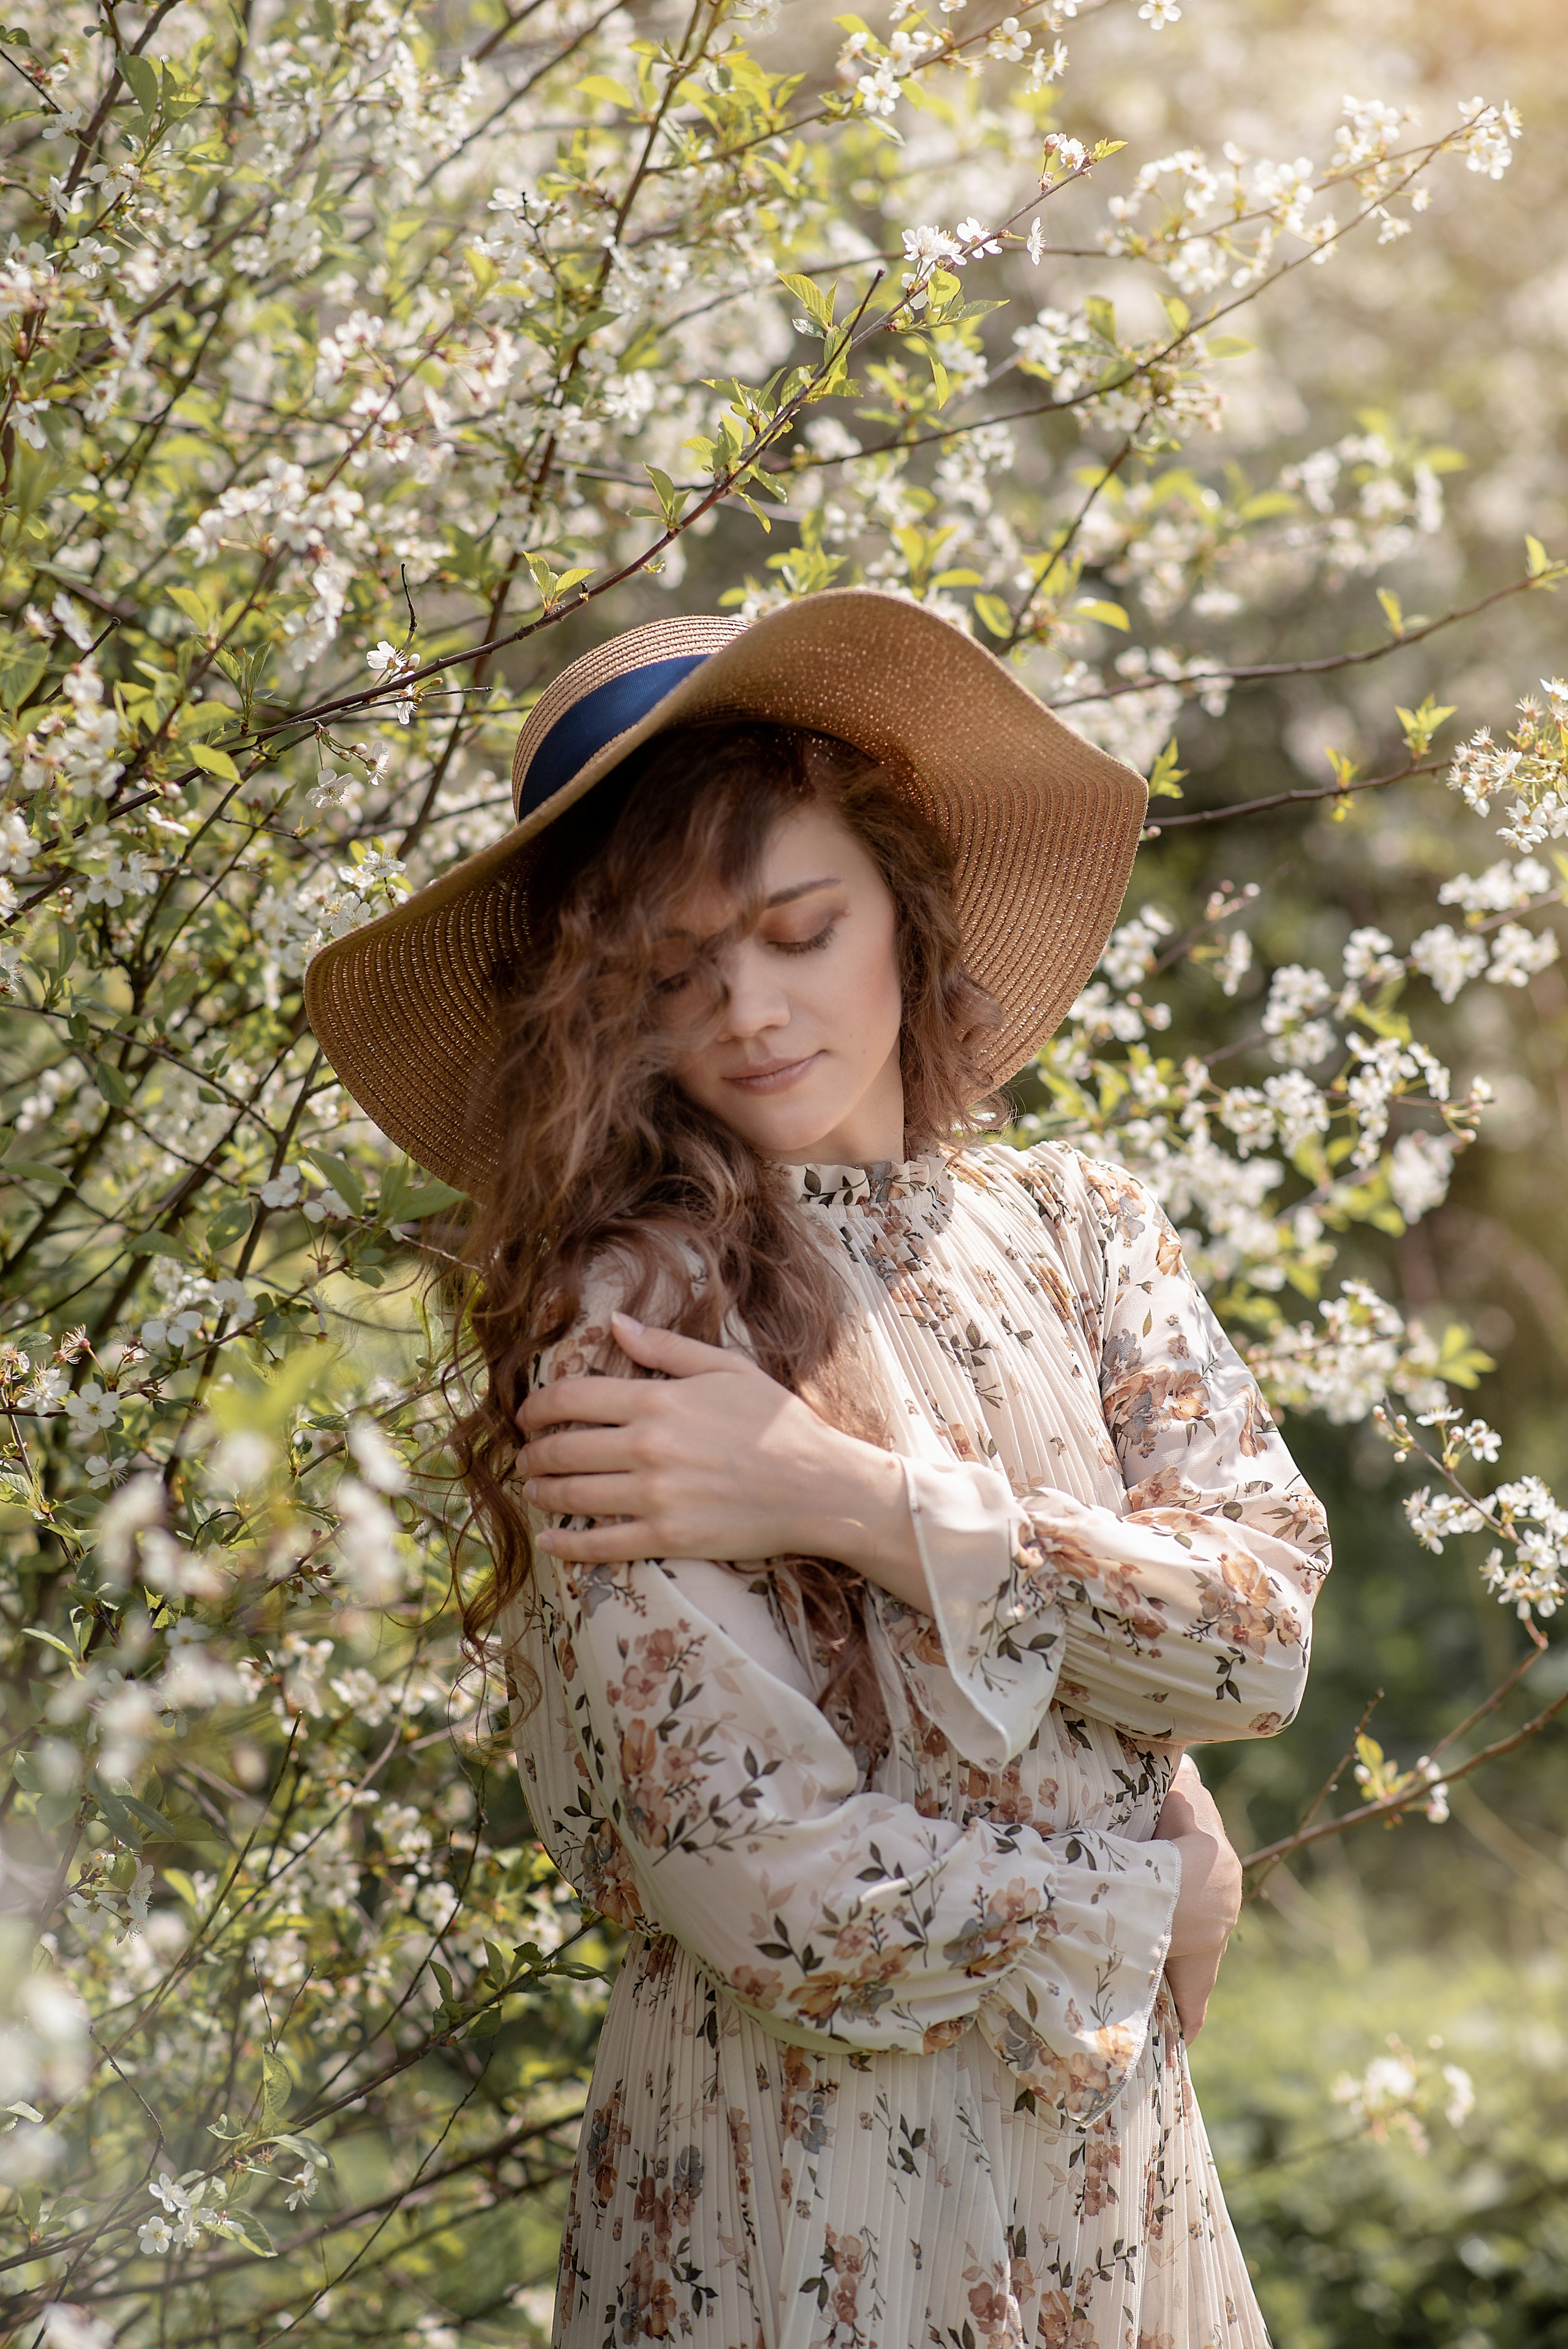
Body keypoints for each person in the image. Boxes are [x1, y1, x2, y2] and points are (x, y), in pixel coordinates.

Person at [306, 591, 1330, 2349]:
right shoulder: (634, 1317)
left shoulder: (1083, 1231)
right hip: (804, 2192)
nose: (751, 1008)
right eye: (675, 969)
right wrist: (1138, 1884)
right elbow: (764, 1886)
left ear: (902, 911)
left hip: (1107, 2174)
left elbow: (1255, 1637)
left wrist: (841, 1498)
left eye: (798, 928)